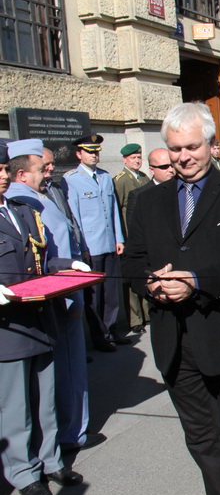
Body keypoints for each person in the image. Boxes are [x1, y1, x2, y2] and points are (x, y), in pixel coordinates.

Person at [122, 102, 220, 495]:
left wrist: (196, 282)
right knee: (203, 438)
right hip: (175, 342)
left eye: (191, 147)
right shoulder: (146, 202)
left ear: (212, 144)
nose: (183, 157)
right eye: (174, 149)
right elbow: (131, 263)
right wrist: (153, 285)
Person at [0, 139, 87, 495]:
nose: (4, 176)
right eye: (0, 170)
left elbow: (41, 258)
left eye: (4, 170)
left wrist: (67, 266)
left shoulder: (20, 209)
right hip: (9, 328)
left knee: (45, 402)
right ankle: (23, 472)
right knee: (15, 408)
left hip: (40, 317)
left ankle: (51, 461)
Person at [6, 140, 106, 454]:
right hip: (56, 297)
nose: (49, 170)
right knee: (63, 372)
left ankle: (70, 431)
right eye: (42, 166)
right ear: (21, 173)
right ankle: (70, 433)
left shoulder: (39, 194)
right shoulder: (23, 200)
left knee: (66, 372)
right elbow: (44, 253)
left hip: (65, 289)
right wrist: (68, 295)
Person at [61, 134, 128, 348]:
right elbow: (74, 217)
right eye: (89, 152)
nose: (94, 155)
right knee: (95, 295)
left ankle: (112, 330)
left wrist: (119, 237)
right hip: (91, 245)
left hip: (109, 243)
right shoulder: (71, 179)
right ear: (79, 154)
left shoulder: (106, 177)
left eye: (96, 151)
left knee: (111, 292)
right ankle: (100, 336)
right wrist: (80, 247)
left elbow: (114, 211)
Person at [114, 143, 151, 334]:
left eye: (139, 157)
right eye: (133, 158)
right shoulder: (120, 180)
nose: (137, 161)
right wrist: (121, 237)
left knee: (145, 273)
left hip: (144, 234)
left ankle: (147, 313)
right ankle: (135, 318)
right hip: (129, 235)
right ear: (125, 160)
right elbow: (118, 210)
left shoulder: (144, 178)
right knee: (131, 279)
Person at [125, 147, 176, 226]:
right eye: (164, 167)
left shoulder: (184, 188)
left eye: (172, 165)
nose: (171, 170)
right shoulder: (139, 195)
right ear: (152, 170)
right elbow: (135, 229)